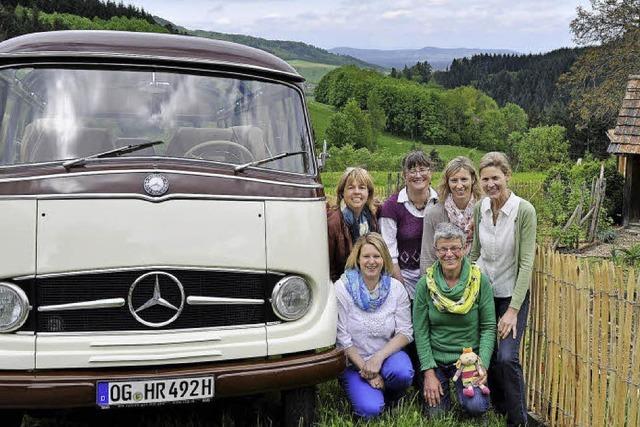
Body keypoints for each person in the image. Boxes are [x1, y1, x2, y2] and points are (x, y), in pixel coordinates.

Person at [470, 151, 537, 426]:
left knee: (508, 357)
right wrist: (467, 288)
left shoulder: (523, 211)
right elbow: (475, 253)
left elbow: (526, 264)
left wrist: (512, 311)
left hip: (512, 294)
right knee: (489, 353)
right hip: (485, 293)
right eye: (485, 179)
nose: (490, 184)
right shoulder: (480, 208)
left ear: (507, 176)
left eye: (495, 178)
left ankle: (518, 419)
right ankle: (495, 405)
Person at [413, 222, 496, 418]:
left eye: (455, 248)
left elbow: (488, 327)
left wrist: (482, 364)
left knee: (476, 406)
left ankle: (470, 396)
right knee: (436, 415)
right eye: (443, 248)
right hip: (437, 358)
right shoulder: (425, 285)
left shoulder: (479, 281)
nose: (449, 254)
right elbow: (421, 330)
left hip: (468, 358)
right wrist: (428, 372)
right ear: (436, 251)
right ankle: (440, 390)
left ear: (464, 248)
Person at [335, 232, 414, 419]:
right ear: (358, 259)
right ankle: (370, 389)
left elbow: (405, 332)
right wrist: (367, 370)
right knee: (370, 410)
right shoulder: (342, 288)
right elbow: (341, 339)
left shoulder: (396, 288)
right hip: (354, 362)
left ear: (384, 259)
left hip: (386, 356)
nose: (372, 261)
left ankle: (392, 393)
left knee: (402, 373)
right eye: (366, 256)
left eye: (376, 256)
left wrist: (378, 358)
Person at [379, 150, 438, 300]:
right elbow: (389, 253)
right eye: (412, 170)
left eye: (423, 169)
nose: (418, 175)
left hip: (437, 279)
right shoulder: (392, 207)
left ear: (430, 173)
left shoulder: (440, 202)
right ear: (404, 175)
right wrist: (402, 291)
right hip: (403, 279)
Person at [420, 156, 481, 272]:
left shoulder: (484, 209)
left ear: (473, 179)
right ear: (447, 182)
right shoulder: (434, 213)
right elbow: (428, 255)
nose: (459, 185)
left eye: (464, 179)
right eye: (454, 180)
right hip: (444, 277)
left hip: (479, 274)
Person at [327, 167, 378, 282]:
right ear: (342, 192)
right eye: (351, 188)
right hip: (342, 284)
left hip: (368, 280)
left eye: (362, 187)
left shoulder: (371, 216)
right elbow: (328, 268)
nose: (356, 192)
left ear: (368, 192)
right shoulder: (333, 222)